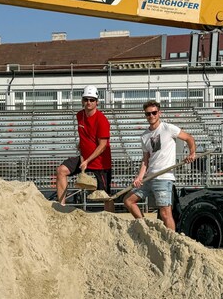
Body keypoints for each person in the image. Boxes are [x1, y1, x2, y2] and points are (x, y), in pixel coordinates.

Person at [123, 100, 196, 230]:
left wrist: (192, 152)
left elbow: (189, 138)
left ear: (159, 113)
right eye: (148, 114)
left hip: (164, 177)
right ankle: (145, 228)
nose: (151, 116)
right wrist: (139, 177)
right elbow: (145, 160)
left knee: (165, 212)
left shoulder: (168, 128)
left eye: (154, 113)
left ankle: (172, 240)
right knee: (128, 201)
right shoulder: (144, 136)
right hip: (149, 177)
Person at [55, 85, 114, 212]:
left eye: (92, 100)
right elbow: (84, 136)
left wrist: (87, 161)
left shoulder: (102, 120)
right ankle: (61, 208)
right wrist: (82, 151)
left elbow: (102, 146)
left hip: (100, 163)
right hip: (84, 159)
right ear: (82, 100)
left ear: (97, 102)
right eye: (86, 99)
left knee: (106, 196)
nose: (89, 102)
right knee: (61, 170)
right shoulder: (79, 115)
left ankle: (111, 220)